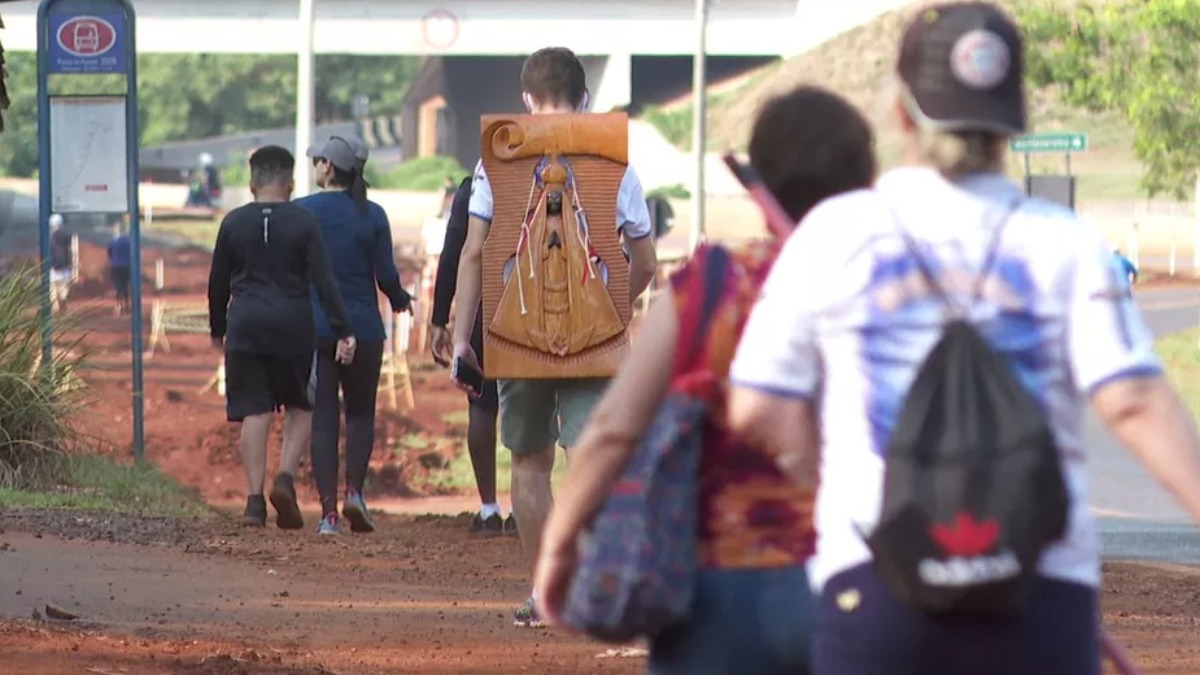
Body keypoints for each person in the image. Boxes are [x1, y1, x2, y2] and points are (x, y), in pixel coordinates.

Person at [725, 4, 1200, 674]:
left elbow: (756, 407)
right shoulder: (1066, 243)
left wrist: (835, 480)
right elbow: (1133, 402)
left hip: (876, 581)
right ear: (1011, 122)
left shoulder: (835, 233)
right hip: (1040, 590)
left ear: (900, 113)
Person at [534, 86, 876, 673]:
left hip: (722, 592)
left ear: (757, 180)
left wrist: (559, 547)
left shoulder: (713, 285)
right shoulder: (898, 289)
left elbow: (614, 429)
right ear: (866, 180)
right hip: (867, 586)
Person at [451, 46, 658, 627]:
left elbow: (474, 253)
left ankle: (546, 593)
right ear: (585, 98)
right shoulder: (615, 163)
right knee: (590, 457)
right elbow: (644, 259)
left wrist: (463, 335)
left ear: (526, 100)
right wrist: (615, 306)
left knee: (530, 462)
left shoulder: (497, 162)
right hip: (596, 336)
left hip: (519, 336)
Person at [208, 145, 356, 530]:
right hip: (294, 326)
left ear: (252, 182)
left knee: (255, 412)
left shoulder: (233, 223)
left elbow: (217, 283)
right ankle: (285, 477)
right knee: (300, 404)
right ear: (290, 183)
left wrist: (217, 330)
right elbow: (324, 281)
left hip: (246, 325)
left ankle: (254, 501)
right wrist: (343, 329)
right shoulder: (304, 223)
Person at [295, 135, 413, 536]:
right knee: (361, 413)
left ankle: (328, 514)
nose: (314, 166)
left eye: (317, 161)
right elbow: (386, 275)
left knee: (324, 418)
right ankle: (355, 495)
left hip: (315, 329)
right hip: (364, 329)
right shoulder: (373, 214)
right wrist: (399, 300)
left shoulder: (302, 212)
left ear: (328, 167)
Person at [430, 175, 515, 537]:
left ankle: (488, 508)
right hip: (542, 312)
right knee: (535, 411)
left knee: (482, 407)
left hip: (484, 310)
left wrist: (440, 319)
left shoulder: (478, 184)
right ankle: (527, 507)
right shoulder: (548, 177)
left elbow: (456, 254)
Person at [106, 220, 132, 316]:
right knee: (125, 285)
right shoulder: (128, 241)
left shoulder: (113, 242)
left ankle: (118, 305)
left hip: (116, 265)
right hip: (126, 265)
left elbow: (109, 253)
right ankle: (126, 304)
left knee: (118, 286)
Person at [48, 213, 73, 314]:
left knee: (53, 290)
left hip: (53, 268)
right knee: (64, 291)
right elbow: (71, 251)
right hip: (65, 267)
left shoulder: (48, 237)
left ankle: (55, 307)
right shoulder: (67, 236)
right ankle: (62, 306)